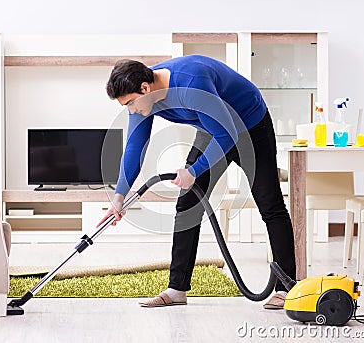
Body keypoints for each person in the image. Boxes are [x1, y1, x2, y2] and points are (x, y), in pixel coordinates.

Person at [101, 55, 296, 309]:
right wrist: (119, 197)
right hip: (213, 127)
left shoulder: (191, 84)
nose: (131, 110)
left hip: (250, 125)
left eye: (129, 103)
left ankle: (287, 287)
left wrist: (194, 170)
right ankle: (177, 289)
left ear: (145, 89)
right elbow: (135, 146)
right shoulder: (143, 97)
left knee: (270, 205)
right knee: (188, 204)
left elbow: (228, 134)